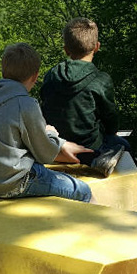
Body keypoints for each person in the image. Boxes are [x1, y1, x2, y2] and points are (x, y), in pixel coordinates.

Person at [0, 43, 93, 202]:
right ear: (35, 76)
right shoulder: (25, 104)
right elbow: (45, 154)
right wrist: (51, 133)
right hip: (7, 184)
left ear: (4, 71)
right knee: (83, 191)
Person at [40, 17, 129, 177]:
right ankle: (99, 160)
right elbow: (110, 116)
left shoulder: (52, 74)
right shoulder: (101, 79)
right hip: (89, 146)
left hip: (56, 145)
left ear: (66, 49)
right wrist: (112, 132)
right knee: (123, 144)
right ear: (97, 47)